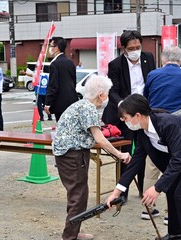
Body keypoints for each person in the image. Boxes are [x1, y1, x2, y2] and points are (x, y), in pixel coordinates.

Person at [106, 93, 181, 240]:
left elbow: (178, 159)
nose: (123, 121)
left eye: (125, 118)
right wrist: (117, 192)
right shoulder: (142, 132)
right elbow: (137, 161)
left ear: (137, 116)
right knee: (172, 189)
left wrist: (157, 187)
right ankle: (176, 234)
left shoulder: (168, 123)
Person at [53, 75, 131, 240]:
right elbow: (100, 138)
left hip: (68, 154)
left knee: (77, 194)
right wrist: (119, 154)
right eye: (107, 94)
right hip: (73, 155)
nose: (107, 98)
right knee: (78, 196)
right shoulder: (88, 108)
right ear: (101, 95)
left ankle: (75, 230)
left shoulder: (80, 105)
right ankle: (69, 236)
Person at [142, 45, 181, 222]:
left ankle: (148, 208)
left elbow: (146, 97)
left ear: (163, 59)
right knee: (176, 166)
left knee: (152, 166)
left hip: (155, 124)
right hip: (178, 125)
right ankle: (170, 213)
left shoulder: (153, 75)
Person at [102, 30, 155, 202]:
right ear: (124, 48)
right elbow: (113, 92)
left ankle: (142, 189)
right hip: (124, 115)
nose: (135, 50)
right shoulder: (115, 65)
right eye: (131, 48)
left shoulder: (148, 58)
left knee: (144, 150)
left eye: (138, 47)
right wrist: (124, 108)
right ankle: (122, 192)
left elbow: (151, 83)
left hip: (143, 114)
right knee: (125, 154)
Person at [44, 37, 78, 122]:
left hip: (60, 102)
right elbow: (73, 81)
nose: (49, 48)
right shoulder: (70, 62)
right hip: (72, 100)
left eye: (51, 46)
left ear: (57, 48)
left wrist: (48, 103)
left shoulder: (54, 64)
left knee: (62, 128)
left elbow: (53, 85)